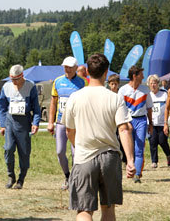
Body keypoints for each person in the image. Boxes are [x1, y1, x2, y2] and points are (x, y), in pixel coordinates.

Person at [62, 53, 135, 221]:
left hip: (84, 158)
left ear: (87, 71)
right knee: (108, 209)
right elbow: (124, 130)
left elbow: (69, 131)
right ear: (106, 72)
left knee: (84, 211)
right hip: (110, 158)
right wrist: (130, 161)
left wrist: (78, 145)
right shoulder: (115, 98)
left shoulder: (75, 97)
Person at [47, 56, 86, 190]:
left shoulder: (82, 83)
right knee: (59, 151)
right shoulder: (57, 81)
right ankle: (67, 175)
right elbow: (53, 102)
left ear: (76, 68)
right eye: (65, 67)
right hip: (61, 122)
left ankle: (76, 179)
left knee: (76, 153)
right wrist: (50, 122)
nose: (67, 69)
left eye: (70, 67)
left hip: (77, 123)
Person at [0, 64, 41, 189]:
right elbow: (2, 107)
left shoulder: (30, 86)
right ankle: (11, 175)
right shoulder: (6, 87)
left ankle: (21, 179)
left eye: (16, 79)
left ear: (22, 76)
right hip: (10, 121)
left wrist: (35, 123)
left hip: (24, 121)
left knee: (24, 152)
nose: (13, 82)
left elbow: (36, 109)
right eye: (11, 79)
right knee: (8, 148)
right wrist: (2, 124)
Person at [118, 65, 153, 183]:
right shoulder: (123, 90)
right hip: (128, 121)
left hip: (141, 120)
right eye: (141, 75)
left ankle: (137, 174)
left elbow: (149, 108)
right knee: (129, 148)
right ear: (134, 76)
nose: (143, 77)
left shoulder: (145, 90)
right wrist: (126, 122)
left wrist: (151, 123)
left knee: (139, 147)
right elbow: (120, 109)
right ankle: (130, 169)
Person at [147, 74, 170, 168]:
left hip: (162, 123)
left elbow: (169, 108)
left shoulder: (164, 93)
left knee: (162, 141)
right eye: (151, 83)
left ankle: (168, 155)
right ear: (149, 84)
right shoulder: (148, 95)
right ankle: (154, 161)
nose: (153, 85)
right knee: (152, 141)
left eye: (155, 83)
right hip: (152, 123)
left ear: (158, 84)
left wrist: (167, 122)